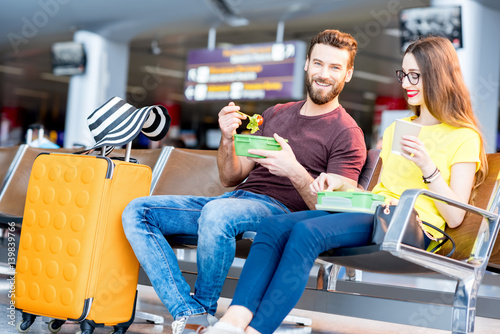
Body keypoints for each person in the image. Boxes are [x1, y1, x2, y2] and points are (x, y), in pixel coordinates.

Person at [205, 35, 488, 334]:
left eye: (415, 75)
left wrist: (428, 168)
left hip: (414, 227)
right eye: (403, 74)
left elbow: (456, 216)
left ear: (438, 76)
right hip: (377, 213)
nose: (406, 82)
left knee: (305, 232)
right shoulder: (398, 128)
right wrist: (340, 184)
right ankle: (232, 321)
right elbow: (379, 192)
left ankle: (257, 329)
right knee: (275, 226)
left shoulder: (464, 136)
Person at [122, 29, 367, 334]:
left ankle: (204, 310)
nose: (324, 74)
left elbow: (335, 210)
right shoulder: (276, 114)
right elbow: (230, 177)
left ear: (348, 74)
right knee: (137, 211)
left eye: (335, 67)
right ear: (306, 64)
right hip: (235, 201)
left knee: (217, 214)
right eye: (318, 64)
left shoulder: (347, 133)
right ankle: (191, 312)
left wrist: (294, 170)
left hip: (282, 216)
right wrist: (228, 138)